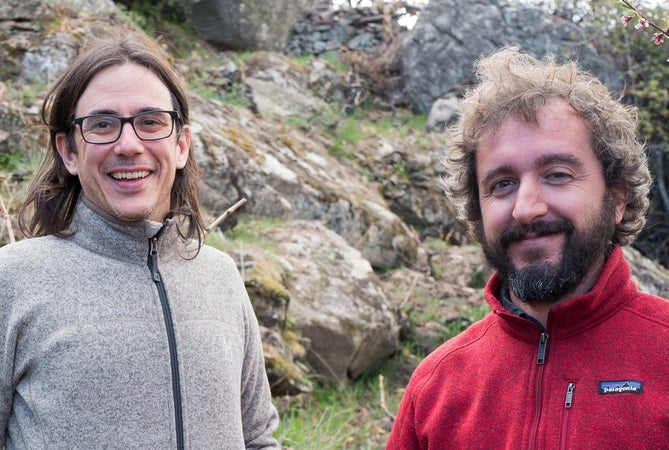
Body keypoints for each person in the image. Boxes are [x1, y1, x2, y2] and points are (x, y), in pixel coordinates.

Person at [0, 29, 279, 449]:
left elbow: (257, 439)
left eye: (150, 122)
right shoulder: (13, 280)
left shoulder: (220, 277)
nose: (128, 145)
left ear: (181, 144)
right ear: (69, 152)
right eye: (102, 124)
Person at [387, 47, 669, 449]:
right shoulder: (437, 386)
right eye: (502, 183)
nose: (526, 208)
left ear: (617, 198)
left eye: (557, 174)